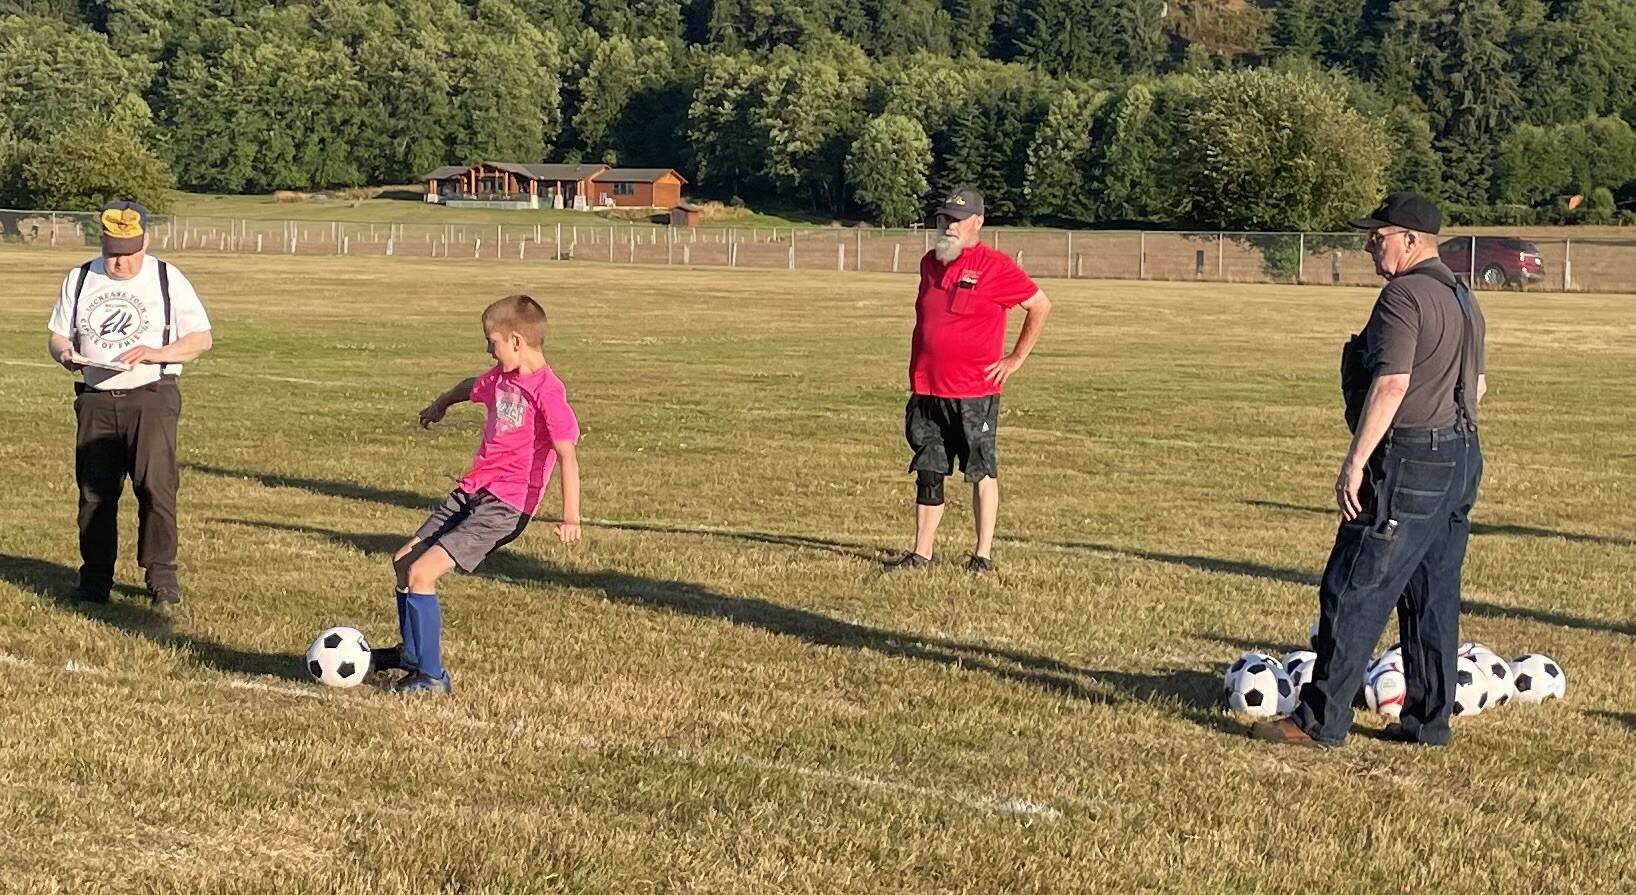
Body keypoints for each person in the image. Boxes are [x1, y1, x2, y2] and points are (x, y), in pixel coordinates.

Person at [1252, 191, 1486, 748]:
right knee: (1433, 592)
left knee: (1354, 584)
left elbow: (1391, 384)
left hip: (1409, 461)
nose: (1368, 244)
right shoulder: (1462, 296)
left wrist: (1355, 462)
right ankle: (1429, 722)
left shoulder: (1403, 297)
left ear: (1411, 240)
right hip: (1461, 456)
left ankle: (1320, 721)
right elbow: (1478, 386)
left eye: (1378, 236)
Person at [372, 294, 582, 695]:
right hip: (471, 491)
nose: (488, 348)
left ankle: (432, 678)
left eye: (492, 341)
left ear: (516, 341)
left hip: (506, 506)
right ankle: (412, 655)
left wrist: (570, 517)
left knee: (422, 573)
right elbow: (470, 387)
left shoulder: (548, 392)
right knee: (403, 562)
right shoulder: (500, 379)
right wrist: (441, 404)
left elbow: (567, 455)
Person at [46, 200, 214, 607]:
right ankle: (95, 579)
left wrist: (154, 353)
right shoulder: (81, 278)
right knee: (94, 493)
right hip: (96, 400)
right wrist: (66, 353)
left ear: (145, 242)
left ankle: (161, 578)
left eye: (129, 252)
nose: (121, 263)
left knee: (156, 488)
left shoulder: (166, 278)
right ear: (102, 242)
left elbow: (201, 339)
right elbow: (56, 335)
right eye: (113, 253)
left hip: (152, 397)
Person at [885, 187, 1051, 575]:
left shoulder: (997, 267)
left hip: (975, 391)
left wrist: (1016, 358)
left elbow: (1040, 304)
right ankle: (922, 553)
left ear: (978, 222)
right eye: (943, 219)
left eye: (956, 220)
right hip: (927, 388)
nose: (947, 226)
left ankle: (982, 555)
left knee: (981, 470)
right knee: (929, 469)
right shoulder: (930, 264)